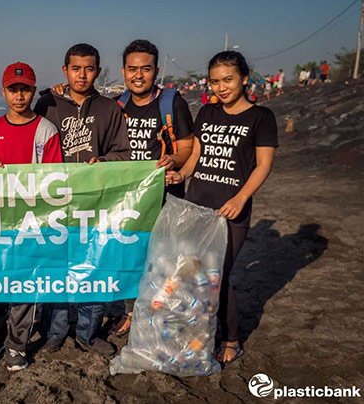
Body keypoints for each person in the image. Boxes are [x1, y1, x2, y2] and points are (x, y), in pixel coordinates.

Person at [166, 50, 277, 364]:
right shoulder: (207, 112)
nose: (221, 87)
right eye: (215, 81)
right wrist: (181, 175)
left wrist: (240, 198)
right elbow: (196, 156)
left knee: (217, 276)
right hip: (196, 206)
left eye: (228, 79)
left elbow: (263, 166)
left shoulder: (261, 117)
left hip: (231, 212)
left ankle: (231, 339)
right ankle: (196, 331)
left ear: (244, 78)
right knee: (191, 272)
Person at [34, 43, 129, 356]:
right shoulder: (47, 103)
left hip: (95, 202)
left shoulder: (110, 109)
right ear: (65, 70)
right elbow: (32, 139)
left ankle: (88, 334)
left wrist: (104, 161)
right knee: (57, 268)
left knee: (94, 267)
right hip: (55, 202)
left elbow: (122, 152)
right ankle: (55, 331)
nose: (82, 75)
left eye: (89, 69)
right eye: (76, 68)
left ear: (98, 72)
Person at [0, 62, 62, 371]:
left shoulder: (46, 130)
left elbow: (54, 179)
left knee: (25, 283)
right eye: (13, 90)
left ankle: (17, 345)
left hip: (31, 221)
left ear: (33, 91)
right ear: (3, 92)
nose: (19, 96)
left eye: (25, 89)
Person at [111, 39, 195, 335]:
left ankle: (160, 317)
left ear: (156, 71)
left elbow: (187, 147)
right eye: (132, 69)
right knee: (130, 259)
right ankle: (131, 313)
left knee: (164, 261)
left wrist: (174, 160)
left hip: (165, 197)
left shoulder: (172, 104)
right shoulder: (117, 106)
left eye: (145, 69)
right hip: (128, 200)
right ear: (123, 71)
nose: (138, 75)